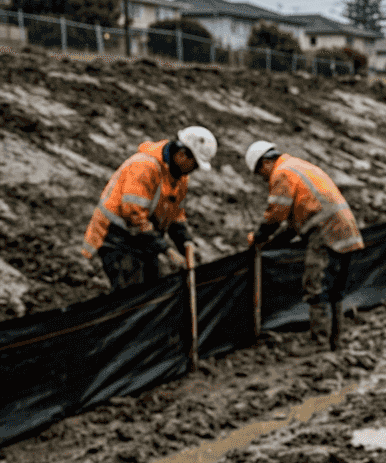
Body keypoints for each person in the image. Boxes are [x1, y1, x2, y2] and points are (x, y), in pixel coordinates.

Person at [244, 141, 364, 352]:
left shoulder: (281, 173)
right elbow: (292, 227)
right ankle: (335, 341)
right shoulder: (298, 166)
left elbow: (275, 214)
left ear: (265, 162)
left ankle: (319, 342)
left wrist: (258, 238)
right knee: (335, 288)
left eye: (260, 172)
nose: (264, 179)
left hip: (325, 230)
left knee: (315, 285)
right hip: (345, 228)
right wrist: (270, 244)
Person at [82, 126, 218, 292]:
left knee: (152, 289)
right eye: (194, 164)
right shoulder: (145, 166)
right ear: (182, 154)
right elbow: (133, 215)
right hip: (116, 238)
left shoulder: (180, 177)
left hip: (141, 238)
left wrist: (186, 242)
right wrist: (168, 251)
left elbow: (175, 214)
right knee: (132, 296)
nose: (194, 170)